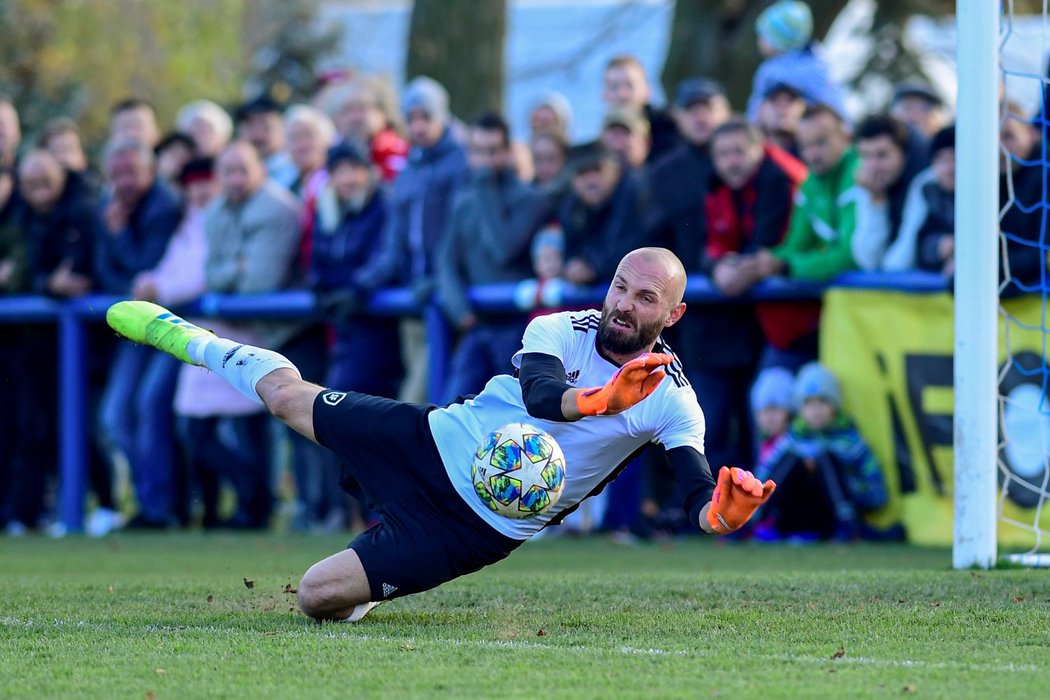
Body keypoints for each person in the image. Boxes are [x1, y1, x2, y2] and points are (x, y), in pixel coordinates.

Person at [106, 247, 775, 621]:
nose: (624, 305)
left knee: (315, 597)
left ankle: (368, 581)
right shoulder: (557, 327)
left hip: (475, 528)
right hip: (434, 439)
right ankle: (190, 337)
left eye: (645, 298)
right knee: (286, 398)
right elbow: (542, 395)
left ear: (675, 313)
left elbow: (696, 494)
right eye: (621, 287)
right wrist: (599, 398)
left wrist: (722, 513)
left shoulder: (675, 402)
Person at [354, 75, 469, 404]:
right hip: (413, 298)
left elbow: (458, 233)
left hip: (445, 298)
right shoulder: (409, 171)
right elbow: (396, 241)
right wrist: (365, 281)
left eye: (426, 117)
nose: (418, 127)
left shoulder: (460, 164)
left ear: (442, 117)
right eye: (412, 118)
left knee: (419, 398)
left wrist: (440, 280)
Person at [436, 113, 549, 400]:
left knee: (513, 412)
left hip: (517, 330)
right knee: (452, 410)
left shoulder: (531, 199)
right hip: (478, 324)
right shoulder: (464, 202)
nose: (485, 160)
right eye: (478, 152)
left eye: (493, 151)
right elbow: (446, 261)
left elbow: (504, 250)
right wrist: (461, 311)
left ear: (508, 152)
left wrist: (485, 188)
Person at [753, 362, 888, 542]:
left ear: (835, 405)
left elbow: (878, 493)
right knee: (792, 459)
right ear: (800, 408)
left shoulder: (851, 441)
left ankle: (847, 524)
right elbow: (764, 474)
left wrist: (844, 483)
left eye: (823, 401)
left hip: (831, 516)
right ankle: (754, 518)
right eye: (808, 403)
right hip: (793, 514)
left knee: (826, 458)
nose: (816, 411)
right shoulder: (791, 439)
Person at [746, 1, 848, 125]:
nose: (759, 40)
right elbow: (836, 106)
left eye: (763, 36)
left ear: (777, 40)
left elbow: (755, 112)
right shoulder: (819, 64)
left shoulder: (770, 72)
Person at [850, 114, 930, 272]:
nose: (873, 166)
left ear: (903, 154)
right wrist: (876, 200)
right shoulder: (870, 185)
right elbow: (867, 259)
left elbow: (899, 264)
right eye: (866, 156)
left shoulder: (926, 183)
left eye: (882, 155)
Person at [895, 125, 955, 274]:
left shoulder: (992, 194)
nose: (949, 168)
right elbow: (916, 243)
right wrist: (938, 247)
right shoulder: (927, 190)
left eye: (955, 158)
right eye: (942, 160)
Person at [602, 55, 679, 163]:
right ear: (604, 94)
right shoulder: (600, 146)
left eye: (630, 86)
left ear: (647, 91)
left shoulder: (673, 132)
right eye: (614, 87)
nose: (622, 94)